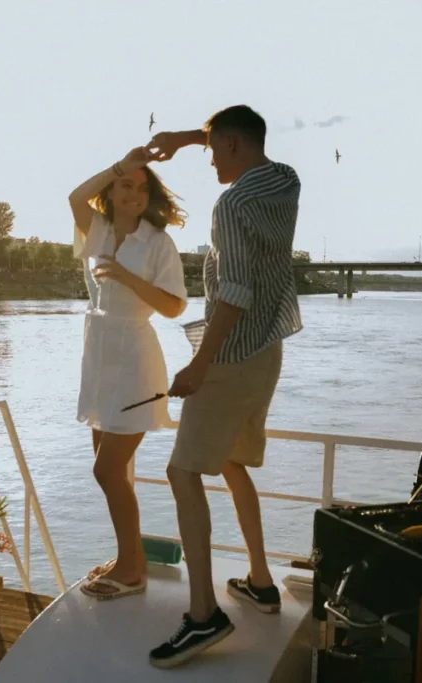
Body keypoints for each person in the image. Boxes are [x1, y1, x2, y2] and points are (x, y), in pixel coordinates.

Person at [144, 105, 303, 668]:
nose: (208, 158)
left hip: (230, 355)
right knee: (232, 462)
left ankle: (204, 614)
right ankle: (260, 581)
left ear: (234, 145)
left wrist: (198, 366)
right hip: (268, 348)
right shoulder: (285, 180)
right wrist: (186, 137)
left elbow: (232, 291)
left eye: (213, 150)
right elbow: (236, 130)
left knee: (182, 471)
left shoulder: (232, 204)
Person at [68, 145, 189, 600]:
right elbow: (74, 198)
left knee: (107, 469)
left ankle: (132, 566)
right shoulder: (95, 228)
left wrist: (124, 275)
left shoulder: (157, 242)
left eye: (142, 187)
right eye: (125, 184)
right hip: (99, 354)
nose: (134, 193)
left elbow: (175, 306)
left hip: (136, 357)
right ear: (112, 190)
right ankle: (129, 558)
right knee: (111, 470)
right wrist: (121, 163)